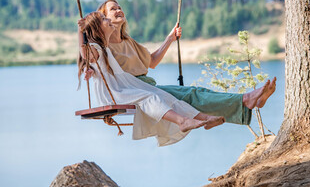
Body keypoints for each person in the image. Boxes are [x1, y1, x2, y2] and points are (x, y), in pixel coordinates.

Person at [79, 0, 277, 127]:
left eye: (119, 7)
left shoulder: (129, 42)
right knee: (190, 95)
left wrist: (170, 38)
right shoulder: (102, 46)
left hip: (148, 85)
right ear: (102, 19)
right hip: (134, 90)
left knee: (199, 92)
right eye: (112, 9)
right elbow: (93, 60)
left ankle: (248, 101)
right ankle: (246, 100)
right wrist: (90, 68)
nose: (118, 10)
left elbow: (152, 62)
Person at [78, 11, 230, 146]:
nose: (108, 19)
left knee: (164, 96)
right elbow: (86, 55)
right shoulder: (94, 48)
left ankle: (205, 119)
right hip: (113, 94)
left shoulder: (104, 48)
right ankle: (182, 121)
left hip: (123, 87)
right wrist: (81, 32)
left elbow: (95, 66)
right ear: (97, 28)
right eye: (104, 18)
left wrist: (91, 71)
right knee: (149, 97)